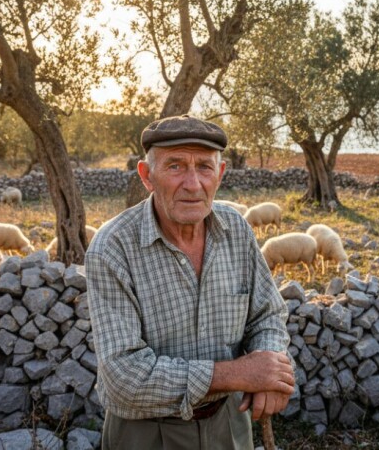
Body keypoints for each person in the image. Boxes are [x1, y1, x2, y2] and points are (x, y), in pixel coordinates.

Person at [86, 115, 295, 449]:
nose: (193, 183)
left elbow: (267, 314)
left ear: (221, 174)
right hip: (146, 433)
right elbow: (123, 376)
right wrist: (240, 374)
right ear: (146, 176)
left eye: (204, 167)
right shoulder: (113, 249)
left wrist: (269, 366)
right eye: (175, 166)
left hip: (229, 423)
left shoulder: (236, 230)